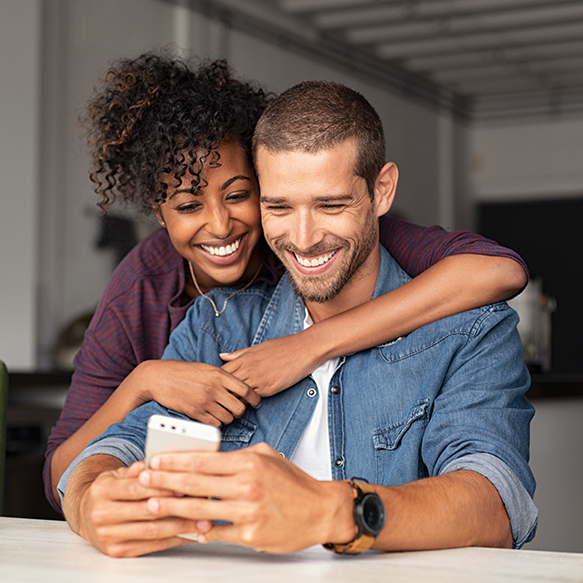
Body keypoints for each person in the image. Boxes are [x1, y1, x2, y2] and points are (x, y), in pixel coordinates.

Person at [58, 79, 536, 558]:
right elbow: (113, 449)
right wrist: (89, 501)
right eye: (279, 207)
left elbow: (495, 503)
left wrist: (331, 511)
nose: (304, 238)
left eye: (331, 205)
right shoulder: (215, 324)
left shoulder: (471, 330)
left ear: (382, 190)